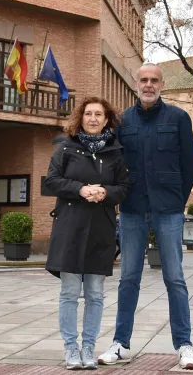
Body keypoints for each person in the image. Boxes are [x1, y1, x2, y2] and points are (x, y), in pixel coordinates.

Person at [98, 63, 193, 370]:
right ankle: (121, 344)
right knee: (128, 277)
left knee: (175, 279)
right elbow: (112, 162)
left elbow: (191, 163)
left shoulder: (179, 118)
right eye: (144, 79)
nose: (148, 84)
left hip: (168, 209)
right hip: (131, 209)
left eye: (154, 80)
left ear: (162, 85)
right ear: (135, 83)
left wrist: (177, 199)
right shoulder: (122, 121)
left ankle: (184, 346)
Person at [44, 97, 130, 370]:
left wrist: (106, 192)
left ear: (107, 120)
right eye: (88, 114)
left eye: (99, 115)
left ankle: (89, 349)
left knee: (95, 293)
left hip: (101, 228)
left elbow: (125, 187)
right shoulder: (66, 148)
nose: (93, 119)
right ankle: (71, 350)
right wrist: (81, 189)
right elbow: (52, 181)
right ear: (80, 118)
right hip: (69, 226)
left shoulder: (116, 151)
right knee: (70, 292)